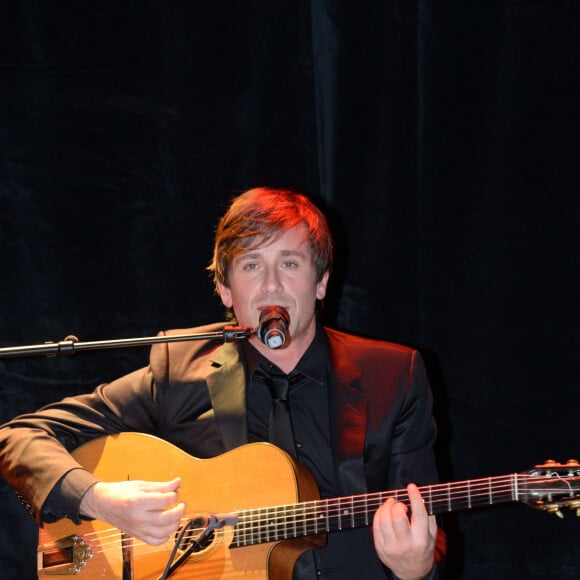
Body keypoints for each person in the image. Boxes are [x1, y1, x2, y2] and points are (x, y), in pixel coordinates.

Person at [0, 187, 445, 579]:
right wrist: (100, 499)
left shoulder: (395, 375)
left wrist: (417, 567)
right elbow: (20, 436)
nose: (272, 286)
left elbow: (428, 526)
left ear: (321, 282)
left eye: (289, 262)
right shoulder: (181, 369)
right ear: (226, 289)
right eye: (252, 266)